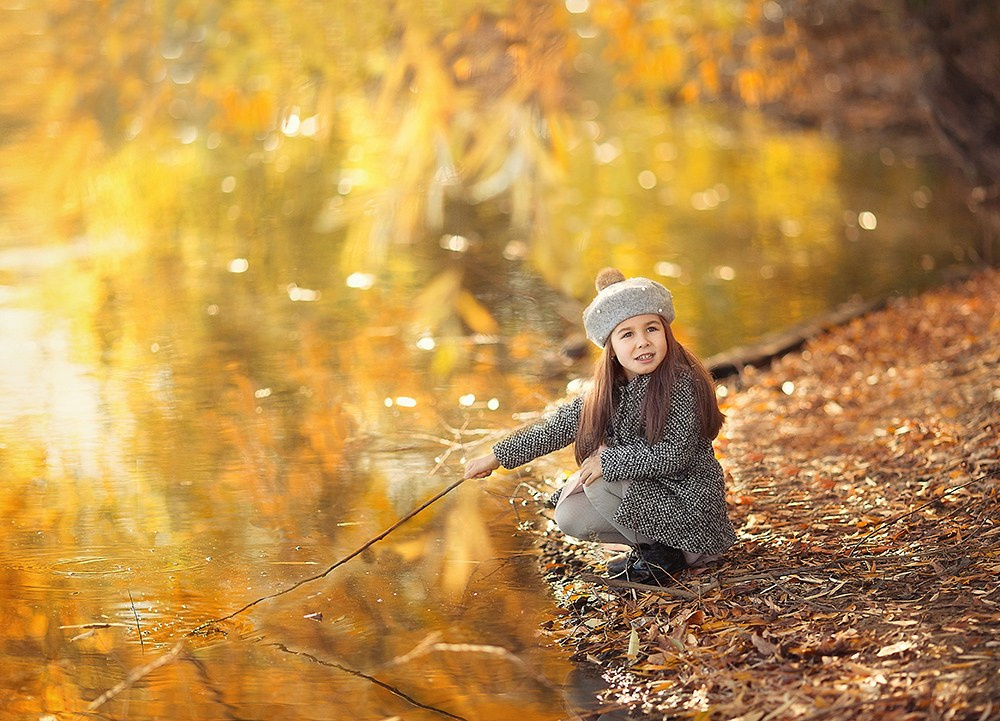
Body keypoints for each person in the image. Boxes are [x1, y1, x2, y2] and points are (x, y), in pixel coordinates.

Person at [464, 267, 736, 585]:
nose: (643, 343)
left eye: (651, 329)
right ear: (611, 347)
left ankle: (669, 555)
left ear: (666, 333)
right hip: (657, 501)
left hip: (690, 507)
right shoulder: (608, 391)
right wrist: (496, 458)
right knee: (570, 515)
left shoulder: (680, 383)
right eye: (627, 334)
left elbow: (673, 455)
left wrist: (607, 462)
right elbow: (556, 427)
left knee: (597, 477)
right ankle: (656, 548)